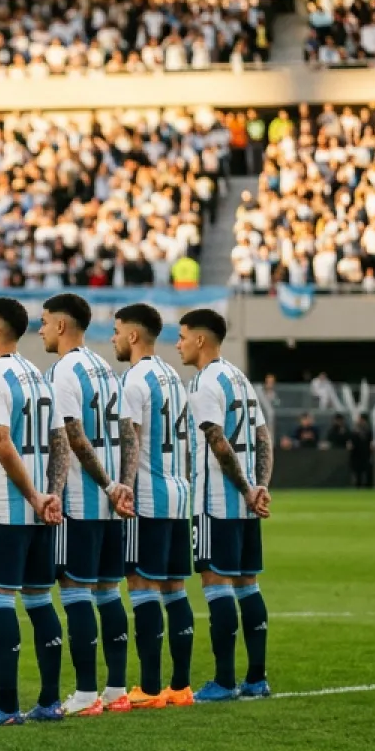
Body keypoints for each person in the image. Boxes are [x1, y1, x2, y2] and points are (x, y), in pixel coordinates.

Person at [0, 297, 63, 727]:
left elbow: (1, 443)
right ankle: (49, 701)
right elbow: (60, 442)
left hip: (4, 507)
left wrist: (34, 496)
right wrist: (50, 494)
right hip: (39, 510)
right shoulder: (39, 378)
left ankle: (5, 707)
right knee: (41, 600)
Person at [39, 292, 134, 719]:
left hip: (82, 499)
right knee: (110, 593)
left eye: (43, 322)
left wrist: (105, 485)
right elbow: (129, 434)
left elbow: (72, 438)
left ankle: (83, 693)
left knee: (76, 593)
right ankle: (116, 689)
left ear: (62, 325)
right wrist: (122, 485)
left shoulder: (63, 372)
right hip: (111, 503)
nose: (39, 330)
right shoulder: (106, 369)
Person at [177, 308, 273, 701]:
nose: (179, 344)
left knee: (216, 585)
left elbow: (218, 443)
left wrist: (248, 489)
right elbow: (263, 437)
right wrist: (260, 486)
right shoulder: (239, 378)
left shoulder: (204, 383)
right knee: (248, 585)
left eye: (183, 336)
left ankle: (224, 681)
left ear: (201, 339)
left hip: (217, 502)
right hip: (246, 504)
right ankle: (256, 679)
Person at [112, 302, 195, 710]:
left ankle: (147, 688)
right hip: (179, 494)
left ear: (132, 335)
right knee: (175, 590)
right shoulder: (174, 377)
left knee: (141, 588)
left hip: (149, 495)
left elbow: (133, 438)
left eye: (116, 331)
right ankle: (180, 687)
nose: (112, 339)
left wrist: (124, 487)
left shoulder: (134, 379)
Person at [347, 415, 375, 487]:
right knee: (358, 474)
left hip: (366, 455)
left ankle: (368, 487)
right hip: (356, 455)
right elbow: (351, 443)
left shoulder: (369, 432)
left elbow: (371, 443)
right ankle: (358, 486)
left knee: (368, 472)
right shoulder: (354, 432)